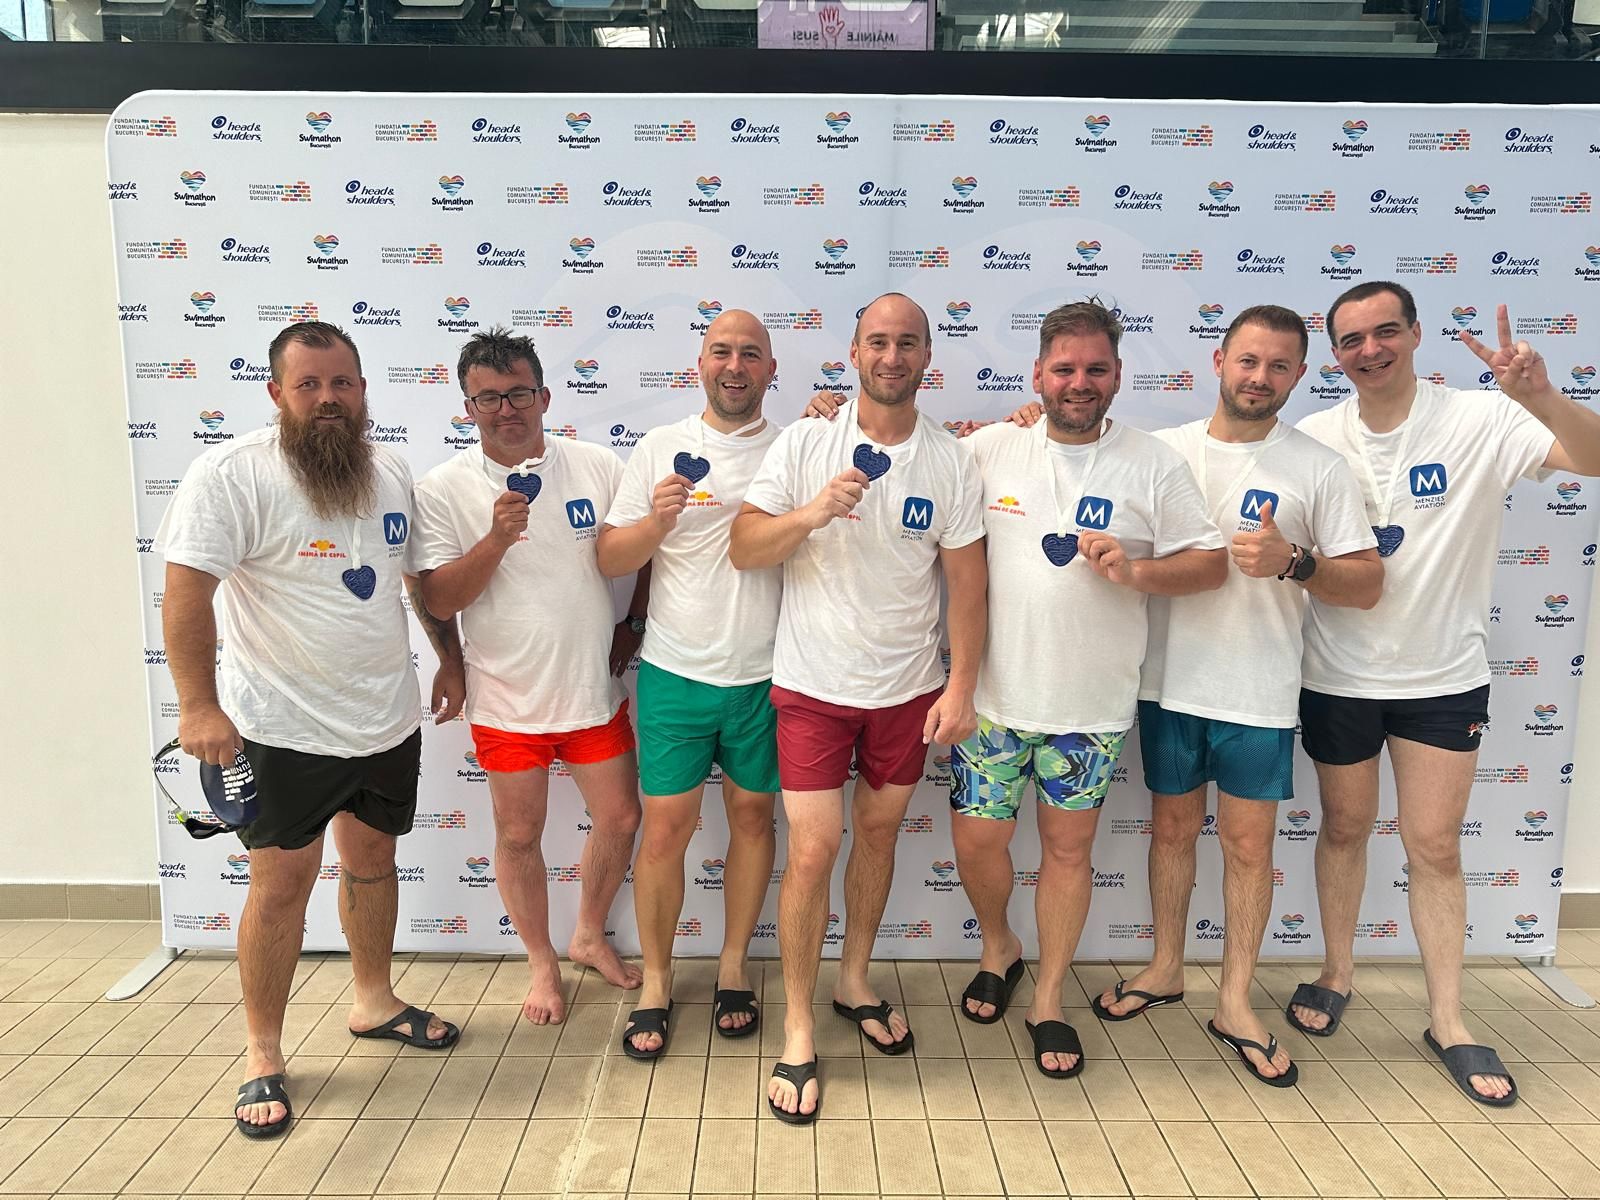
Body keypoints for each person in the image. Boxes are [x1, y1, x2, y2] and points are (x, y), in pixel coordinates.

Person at [1290, 282, 1600, 1106]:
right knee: (1345, 829)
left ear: (1416, 334)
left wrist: (1540, 396)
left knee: (1435, 848)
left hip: (1443, 680)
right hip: (1336, 676)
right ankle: (1336, 972)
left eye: (1385, 331)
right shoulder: (1316, 436)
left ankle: (1450, 1019)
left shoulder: (1483, 418)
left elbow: (1594, 458)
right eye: (1352, 339)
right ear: (1336, 354)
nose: (1370, 349)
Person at [159, 321, 466, 1140]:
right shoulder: (230, 475)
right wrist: (197, 706)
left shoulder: (391, 469)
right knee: (281, 887)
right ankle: (263, 1051)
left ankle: (372, 999)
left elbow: (416, 586)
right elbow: (186, 593)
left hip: (384, 721)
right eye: (310, 386)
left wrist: (450, 658)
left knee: (372, 861)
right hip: (277, 727)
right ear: (277, 395)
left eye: (344, 384)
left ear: (364, 390)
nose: (329, 399)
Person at [1093, 305, 1383, 1089]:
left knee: (1251, 846)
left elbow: (1366, 582)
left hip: (1258, 690)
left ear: (1298, 375)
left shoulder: (1317, 467)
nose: (1260, 378)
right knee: (1172, 832)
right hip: (1165, 683)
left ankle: (1234, 1001)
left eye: (1279, 366)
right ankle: (1163, 968)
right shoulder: (1162, 452)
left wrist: (1298, 562)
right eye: (1249, 361)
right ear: (1219, 359)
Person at [730, 293, 987, 1123]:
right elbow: (744, 546)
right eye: (877, 341)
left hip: (907, 693)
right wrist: (812, 512)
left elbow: (968, 587)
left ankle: (854, 980)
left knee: (876, 837)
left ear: (926, 355)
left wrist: (962, 685)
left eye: (906, 342)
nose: (891, 355)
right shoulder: (807, 441)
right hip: (811, 688)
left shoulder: (950, 459)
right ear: (854, 349)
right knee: (813, 851)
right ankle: (799, 1026)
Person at [953, 300, 1226, 1079]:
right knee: (979, 843)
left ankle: (1046, 999)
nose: (1079, 383)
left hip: (1090, 711)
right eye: (1064, 369)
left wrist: (1135, 571)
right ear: (1037, 374)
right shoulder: (989, 448)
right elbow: (911, 458)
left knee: (1069, 854)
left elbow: (1207, 564)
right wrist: (827, 413)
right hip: (991, 703)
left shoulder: (1152, 463)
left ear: (1116, 375)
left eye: (1095, 370)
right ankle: (999, 943)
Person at [413, 328, 648, 1027]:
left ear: (544, 396)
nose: (505, 409)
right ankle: (542, 961)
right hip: (506, 700)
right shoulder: (444, 489)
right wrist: (494, 540)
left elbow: (648, 552)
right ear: (468, 408)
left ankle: (588, 933)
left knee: (621, 817)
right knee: (519, 837)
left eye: (518, 393)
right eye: (488, 398)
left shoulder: (598, 466)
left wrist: (631, 625)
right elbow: (437, 598)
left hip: (590, 693)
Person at [597, 310, 783, 1059]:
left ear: (771, 369)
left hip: (768, 676)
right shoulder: (657, 448)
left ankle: (735, 965)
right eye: (721, 353)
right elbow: (611, 560)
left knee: (752, 822)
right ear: (698, 365)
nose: (734, 366)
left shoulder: (795, 446)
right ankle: (658, 980)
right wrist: (655, 524)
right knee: (664, 831)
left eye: (749, 354)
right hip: (675, 674)